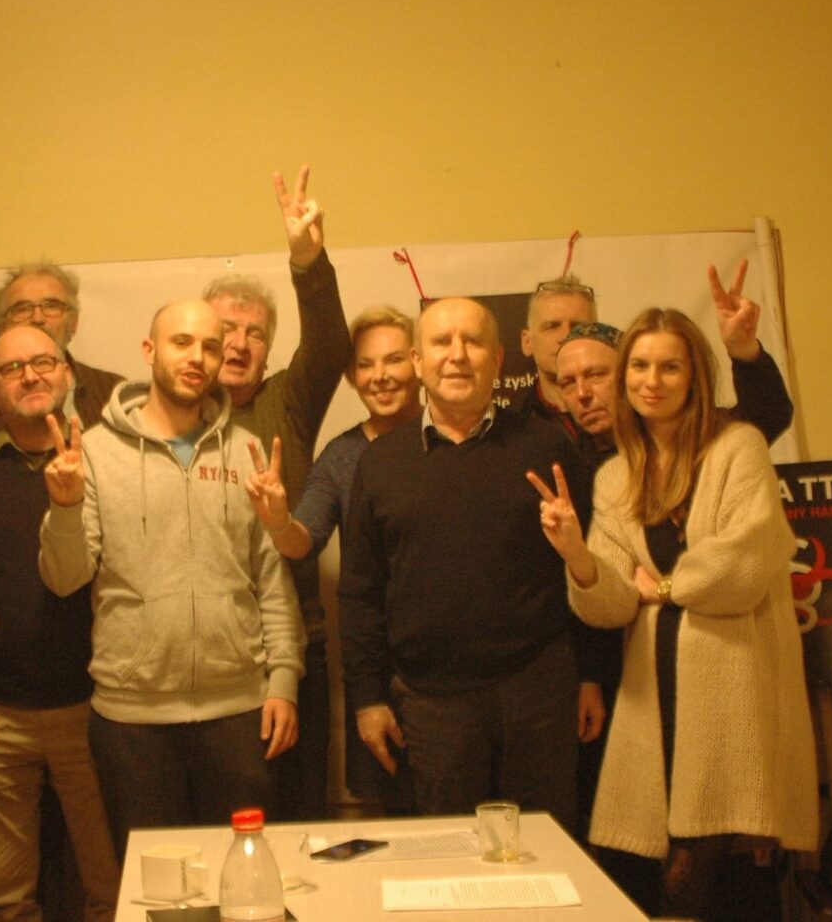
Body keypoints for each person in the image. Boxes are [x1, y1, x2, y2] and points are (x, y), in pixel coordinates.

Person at [530, 308, 818, 920]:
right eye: (639, 366)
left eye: (669, 366)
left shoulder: (738, 447)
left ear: (695, 376)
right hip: (652, 700)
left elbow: (747, 559)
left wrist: (660, 585)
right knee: (661, 889)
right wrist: (578, 554)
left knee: (737, 885)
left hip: (734, 694)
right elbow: (610, 604)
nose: (651, 380)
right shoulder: (614, 478)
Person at [39, 299, 304, 858]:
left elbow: (270, 578)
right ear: (150, 350)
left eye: (211, 346)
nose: (199, 357)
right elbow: (64, 579)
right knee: (160, 895)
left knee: (244, 885)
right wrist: (63, 508)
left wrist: (282, 680)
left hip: (240, 715)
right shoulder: (94, 452)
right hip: (132, 724)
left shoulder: (246, 451)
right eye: (182, 342)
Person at [338, 298, 590, 826]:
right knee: (447, 861)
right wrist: (366, 699)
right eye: (441, 342)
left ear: (497, 360)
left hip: (538, 695)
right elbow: (360, 593)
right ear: (417, 360)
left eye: (472, 342)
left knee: (547, 859)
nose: (457, 355)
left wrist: (592, 676)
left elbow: (584, 573)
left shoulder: (547, 447)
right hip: (431, 707)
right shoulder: (379, 464)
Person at [0, 324, 119, 922]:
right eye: (12, 368)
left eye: (44, 361)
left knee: (110, 886)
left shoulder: (107, 459)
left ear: (68, 372)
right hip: (1, 717)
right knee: (4, 897)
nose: (30, 375)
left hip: (94, 707)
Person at [206, 165, 352, 820]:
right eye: (223, 330)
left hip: (295, 647)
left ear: (268, 352)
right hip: (205, 662)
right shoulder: (164, 417)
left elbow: (329, 344)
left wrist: (306, 259)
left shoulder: (286, 403)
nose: (237, 343)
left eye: (255, 333)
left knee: (296, 826)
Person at [270, 306, 421, 811]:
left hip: (457, 669)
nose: (379, 376)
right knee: (395, 817)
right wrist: (276, 521)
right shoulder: (341, 456)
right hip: (379, 666)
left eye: (394, 359)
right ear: (351, 377)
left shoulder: (449, 438)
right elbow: (302, 538)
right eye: (365, 364)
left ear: (419, 362)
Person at [512, 264, 794, 447]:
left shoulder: (666, 428)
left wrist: (743, 351)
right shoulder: (513, 433)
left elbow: (766, 419)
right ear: (527, 341)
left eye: (579, 327)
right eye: (551, 326)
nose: (565, 337)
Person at [0, 263, 125, 454]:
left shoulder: (112, 393)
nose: (37, 318)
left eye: (52, 306)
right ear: (2, 326)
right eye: (22, 309)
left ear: (74, 323)